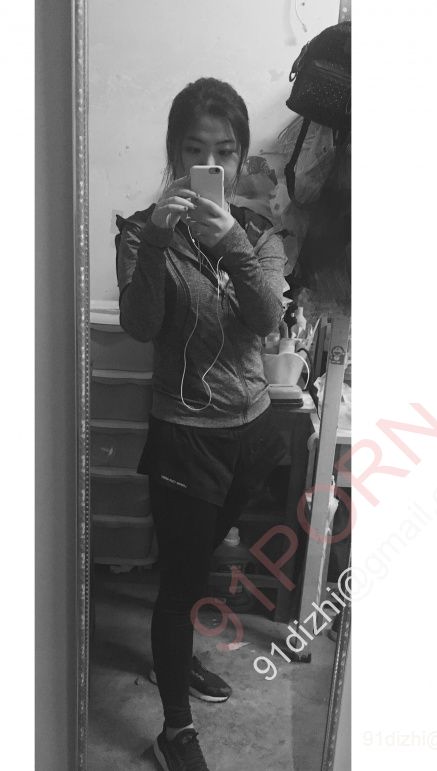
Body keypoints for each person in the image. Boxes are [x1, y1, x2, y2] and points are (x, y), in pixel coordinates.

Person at [115, 77, 288, 771]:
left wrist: (235, 246)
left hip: (252, 431)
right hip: (185, 432)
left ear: (241, 155)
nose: (210, 162)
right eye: (195, 150)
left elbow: (267, 322)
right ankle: (175, 730)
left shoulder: (260, 234)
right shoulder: (142, 230)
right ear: (175, 153)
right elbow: (141, 325)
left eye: (225, 150)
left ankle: (174, 656)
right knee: (181, 579)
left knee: (198, 563)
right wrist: (159, 240)